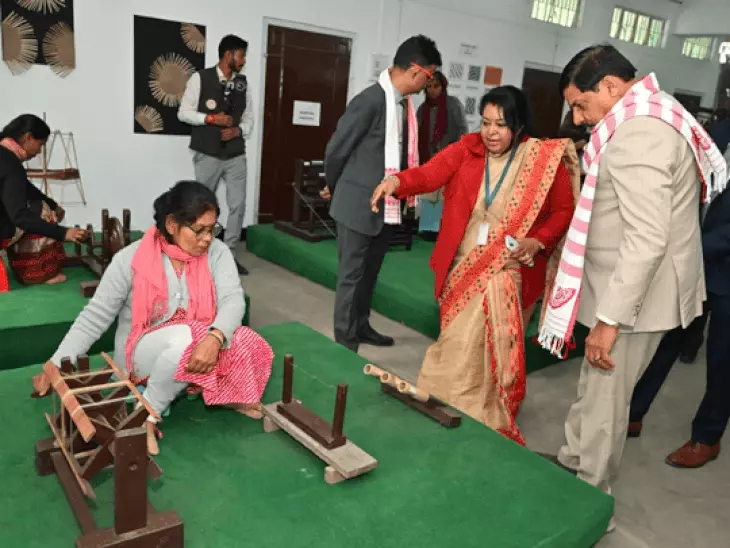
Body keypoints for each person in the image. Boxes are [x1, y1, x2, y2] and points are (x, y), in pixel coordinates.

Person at [539, 44, 727, 530]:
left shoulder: (639, 134)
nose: (578, 118)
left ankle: (589, 502)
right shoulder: (649, 114)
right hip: (623, 288)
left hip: (633, 300)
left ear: (610, 86)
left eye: (581, 105)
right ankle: (572, 461)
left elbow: (646, 239)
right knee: (595, 386)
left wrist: (610, 320)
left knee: (607, 400)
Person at [371, 86, 580, 444]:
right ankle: (449, 401)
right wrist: (396, 181)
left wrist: (537, 241)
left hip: (511, 269)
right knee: (456, 342)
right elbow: (430, 174)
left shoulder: (543, 160)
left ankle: (486, 412)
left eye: (501, 124)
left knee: (491, 344)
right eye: (485, 122)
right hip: (462, 265)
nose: (491, 132)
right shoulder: (467, 150)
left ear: (518, 125)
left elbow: (563, 210)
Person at [31, 181, 274, 455]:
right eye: (199, 230)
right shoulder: (130, 259)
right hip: (143, 355)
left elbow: (233, 299)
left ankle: (214, 389)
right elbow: (94, 317)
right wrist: (55, 364)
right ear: (171, 225)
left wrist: (216, 337)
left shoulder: (217, 253)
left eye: (213, 229)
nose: (208, 238)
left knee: (245, 338)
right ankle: (145, 414)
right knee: (188, 336)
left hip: (194, 346)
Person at [323, 35, 442, 353]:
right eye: (429, 75)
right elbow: (336, 150)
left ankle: (361, 326)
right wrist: (337, 189)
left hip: (386, 206)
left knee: (369, 275)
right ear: (415, 71)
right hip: (356, 205)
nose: (429, 83)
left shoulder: (402, 106)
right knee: (351, 277)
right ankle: (345, 343)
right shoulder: (371, 100)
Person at [628, 185, 730, 468]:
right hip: (693, 265)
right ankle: (633, 413)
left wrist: (687, 248)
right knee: (667, 340)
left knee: (723, 361)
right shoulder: (714, 150)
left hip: (714, 263)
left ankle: (707, 437)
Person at [178, 34, 253, 275]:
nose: (243, 60)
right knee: (201, 207)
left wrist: (238, 130)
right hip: (207, 154)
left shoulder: (243, 84)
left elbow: (249, 118)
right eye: (241, 55)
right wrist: (210, 119)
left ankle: (229, 255)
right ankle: (196, 254)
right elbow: (183, 113)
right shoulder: (200, 78)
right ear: (228, 55)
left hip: (236, 155)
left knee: (238, 204)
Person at [0, 114, 86, 291]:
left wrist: (52, 202)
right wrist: (63, 232)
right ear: (28, 137)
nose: (39, 152)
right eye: (40, 145)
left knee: (42, 204)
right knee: (42, 211)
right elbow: (19, 216)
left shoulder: (5, 155)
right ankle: (40, 274)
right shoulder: (11, 164)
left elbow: (23, 186)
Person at [416, 71, 468, 240]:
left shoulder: (453, 104)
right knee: (429, 192)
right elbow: (417, 134)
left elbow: (463, 130)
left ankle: (442, 230)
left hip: (449, 157)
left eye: (436, 86)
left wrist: (457, 153)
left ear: (443, 86)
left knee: (445, 195)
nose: (432, 90)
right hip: (429, 158)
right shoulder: (422, 109)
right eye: (428, 87)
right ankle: (428, 229)